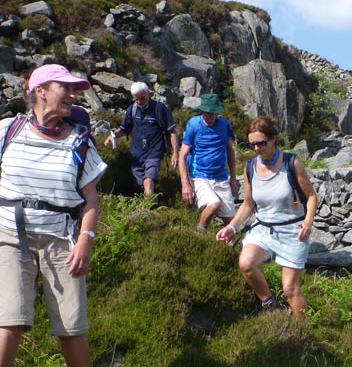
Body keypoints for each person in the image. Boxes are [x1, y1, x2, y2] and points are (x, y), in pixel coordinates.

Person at [0, 64, 107, 367]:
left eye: (76, 90)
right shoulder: (7, 130)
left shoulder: (80, 140)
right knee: (10, 319)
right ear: (41, 90)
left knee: (71, 324)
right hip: (9, 236)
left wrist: (85, 240)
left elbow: (91, 199)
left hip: (62, 240)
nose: (74, 95)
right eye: (67, 88)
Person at [216, 117, 317, 318]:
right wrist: (232, 228)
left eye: (261, 143)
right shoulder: (250, 167)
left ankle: (305, 332)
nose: (256, 148)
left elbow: (312, 196)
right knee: (246, 264)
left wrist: (307, 222)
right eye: (251, 144)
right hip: (263, 229)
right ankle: (270, 305)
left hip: (292, 231)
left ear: (273, 140)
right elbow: (248, 205)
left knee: (290, 288)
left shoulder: (291, 162)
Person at [104, 82, 178, 196]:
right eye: (136, 99)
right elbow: (124, 129)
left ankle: (146, 212)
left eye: (142, 99)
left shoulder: (160, 109)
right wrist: (112, 135)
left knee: (149, 181)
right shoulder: (132, 110)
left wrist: (175, 153)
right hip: (136, 154)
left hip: (154, 152)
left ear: (148, 94)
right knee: (141, 186)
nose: (139, 102)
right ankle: (147, 206)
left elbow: (172, 131)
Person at [179, 93, 237, 231]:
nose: (211, 117)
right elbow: (183, 155)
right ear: (202, 111)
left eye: (214, 113)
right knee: (214, 204)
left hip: (221, 177)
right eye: (208, 113)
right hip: (200, 176)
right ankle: (200, 229)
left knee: (231, 223)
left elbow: (230, 151)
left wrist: (233, 178)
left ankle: (228, 248)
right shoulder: (194, 125)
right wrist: (185, 184)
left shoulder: (224, 125)